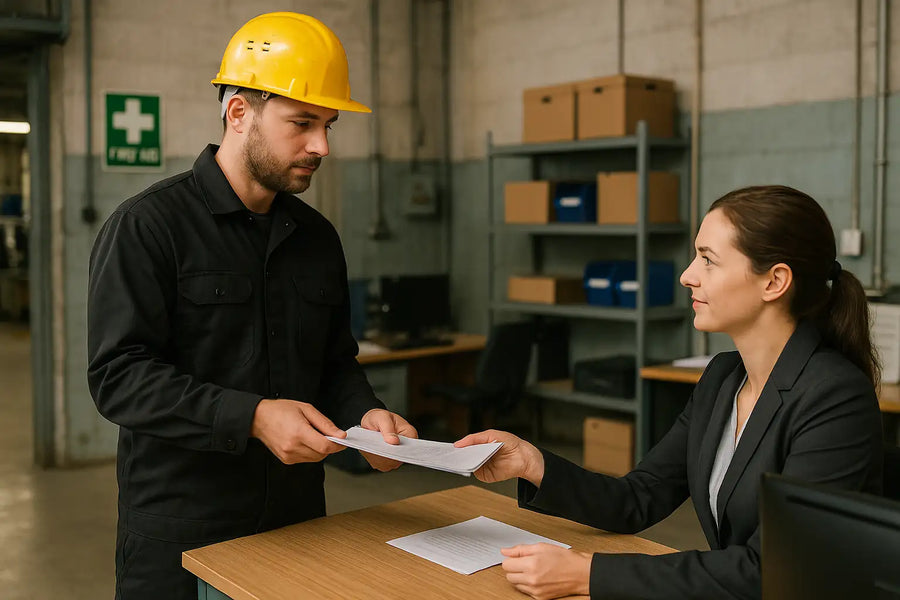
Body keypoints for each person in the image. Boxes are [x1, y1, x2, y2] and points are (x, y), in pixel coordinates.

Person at [87, 12, 417, 600]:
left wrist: (366, 416)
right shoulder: (148, 227)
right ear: (239, 112)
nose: (320, 146)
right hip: (184, 536)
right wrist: (254, 417)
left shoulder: (317, 239)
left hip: (295, 526)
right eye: (302, 123)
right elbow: (119, 378)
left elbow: (336, 363)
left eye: (328, 126)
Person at [456, 185, 884, 600]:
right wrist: (533, 463)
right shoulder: (722, 377)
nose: (687, 275)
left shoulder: (834, 398)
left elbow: (768, 571)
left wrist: (589, 574)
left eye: (708, 260)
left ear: (774, 282)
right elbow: (638, 498)